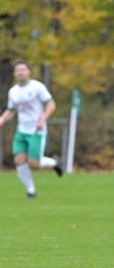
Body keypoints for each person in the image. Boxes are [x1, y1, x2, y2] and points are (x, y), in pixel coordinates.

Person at [0, 59, 63, 198]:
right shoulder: (13, 91)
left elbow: (51, 104)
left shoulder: (37, 87)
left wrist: (42, 119)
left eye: (23, 69)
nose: (20, 72)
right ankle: (31, 191)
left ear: (28, 71)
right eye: (18, 70)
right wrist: (2, 119)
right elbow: (11, 110)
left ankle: (54, 163)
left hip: (36, 130)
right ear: (15, 73)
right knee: (19, 160)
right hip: (21, 130)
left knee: (34, 163)